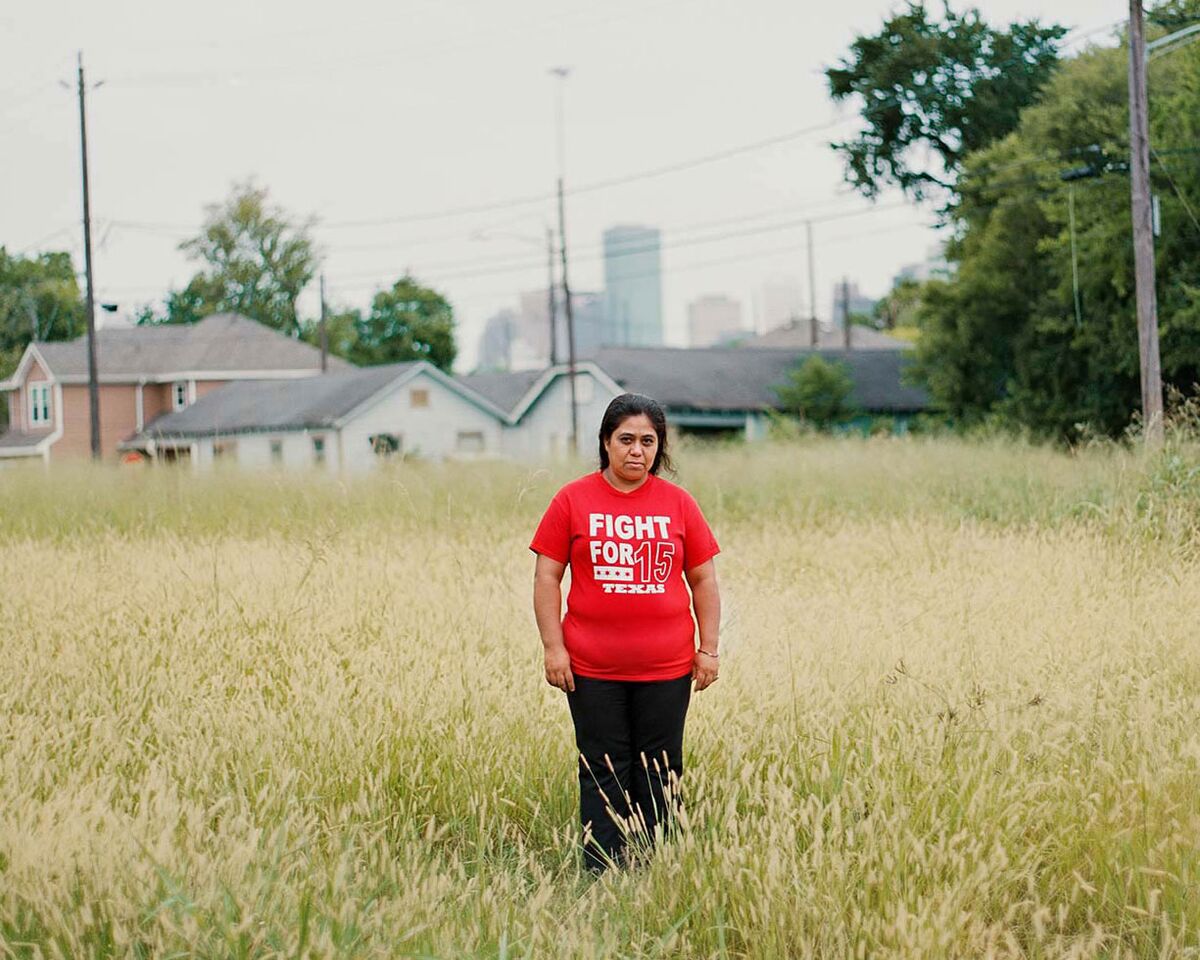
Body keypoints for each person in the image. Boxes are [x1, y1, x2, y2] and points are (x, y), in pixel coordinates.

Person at [529, 393, 722, 872]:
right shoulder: (572, 499)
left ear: (660, 448)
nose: (637, 450)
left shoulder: (679, 504)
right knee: (603, 768)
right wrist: (554, 649)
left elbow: (703, 579)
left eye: (648, 441)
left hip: (668, 666)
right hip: (591, 667)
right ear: (606, 442)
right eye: (626, 439)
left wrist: (709, 649)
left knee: (660, 768)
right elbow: (546, 577)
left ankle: (659, 866)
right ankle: (604, 868)